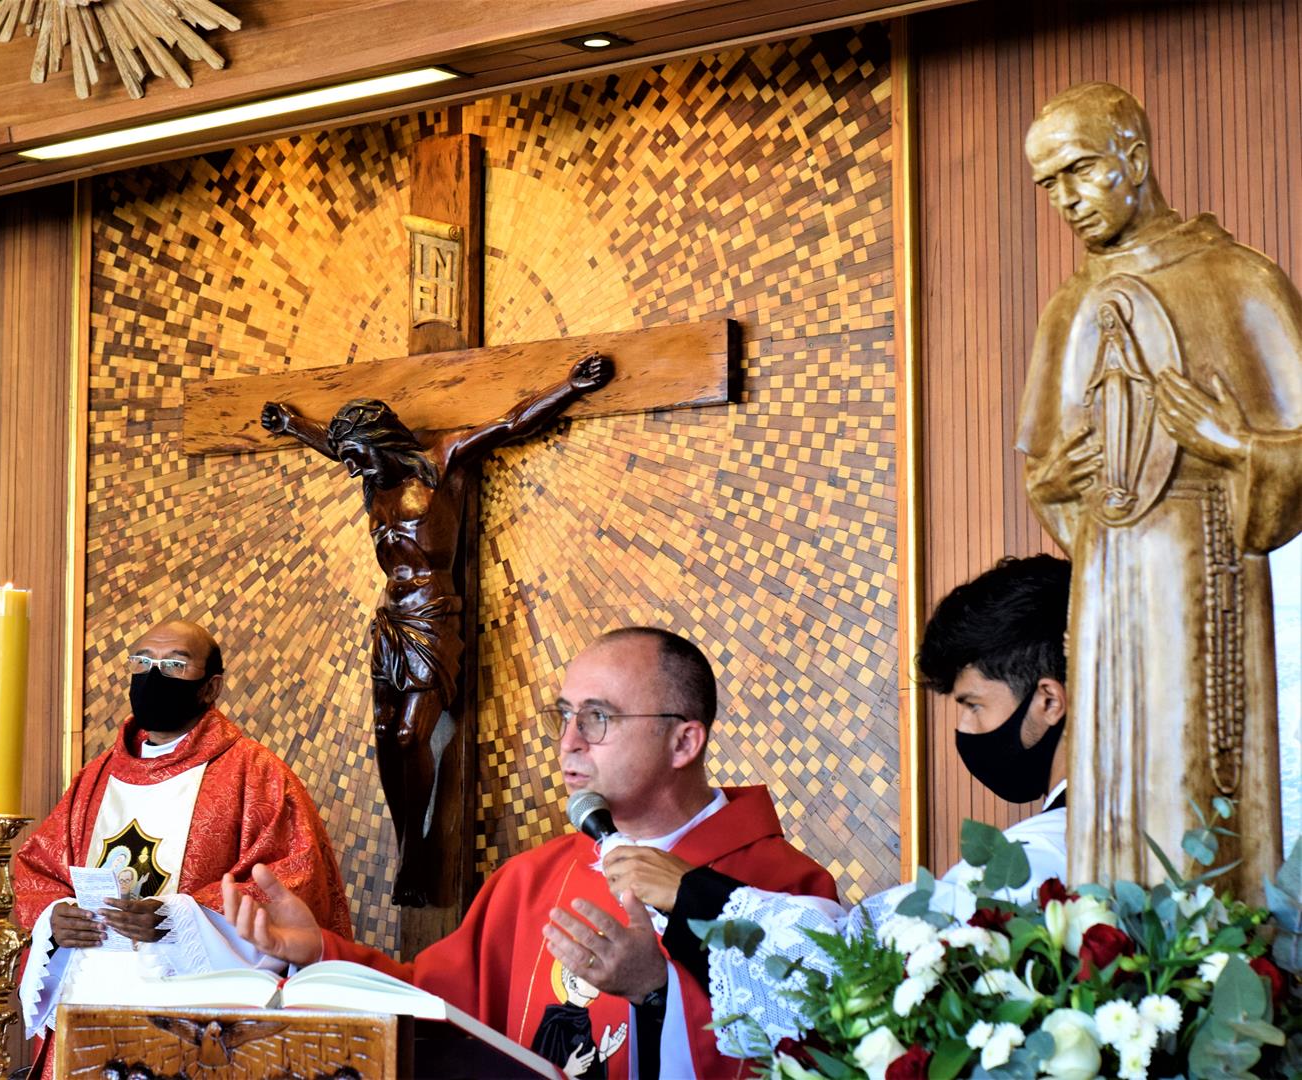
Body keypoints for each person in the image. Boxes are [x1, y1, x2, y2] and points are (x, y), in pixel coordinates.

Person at [220, 627, 838, 1079]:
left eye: (597, 718)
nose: (568, 742)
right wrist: (320, 952)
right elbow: (438, 1007)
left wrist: (658, 991)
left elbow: (813, 1056)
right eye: (563, 716)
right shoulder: (531, 879)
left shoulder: (783, 889)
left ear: (683, 742)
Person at [602, 555, 1074, 1057]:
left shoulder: (1047, 853)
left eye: (973, 705)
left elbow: (863, 978)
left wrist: (694, 896)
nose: (965, 730)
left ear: (1048, 700)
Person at [1018, 82, 1302, 901]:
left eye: (1080, 170)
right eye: (1049, 184)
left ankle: (1207, 965)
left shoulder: (1238, 278)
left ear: (1134, 160)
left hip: (1204, 584)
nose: (1066, 199)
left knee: (1194, 791)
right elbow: (1047, 469)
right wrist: (1054, 483)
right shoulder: (1070, 306)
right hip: (1106, 598)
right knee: (1114, 786)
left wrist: (1230, 445)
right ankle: (1116, 955)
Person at [261, 353, 613, 905]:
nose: (350, 468)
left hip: (433, 617)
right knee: (384, 732)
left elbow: (510, 424)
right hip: (390, 621)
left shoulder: (438, 460)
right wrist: (292, 426)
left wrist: (568, 387)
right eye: (346, 458)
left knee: (409, 735)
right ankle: (408, 844)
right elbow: (333, 445)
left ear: (380, 442)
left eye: (357, 455)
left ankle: (416, 849)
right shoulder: (370, 479)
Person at [13, 619, 352, 1079]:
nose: (154, 675)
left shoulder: (256, 774)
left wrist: (179, 920)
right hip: (88, 1013)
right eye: (142, 661)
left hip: (198, 1030)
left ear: (210, 688)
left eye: (175, 664)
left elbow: (295, 886)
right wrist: (56, 919)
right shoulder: (95, 778)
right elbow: (39, 871)